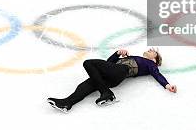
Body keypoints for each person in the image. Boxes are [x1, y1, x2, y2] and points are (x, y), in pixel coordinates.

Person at [47, 48, 177, 113]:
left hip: (121, 71)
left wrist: (167, 85)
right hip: (111, 77)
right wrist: (117, 54)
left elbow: (157, 74)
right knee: (85, 85)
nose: (151, 50)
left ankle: (107, 93)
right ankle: (67, 103)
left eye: (153, 51)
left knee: (88, 63)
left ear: (155, 59)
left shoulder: (150, 64)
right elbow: (107, 64)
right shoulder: (133, 57)